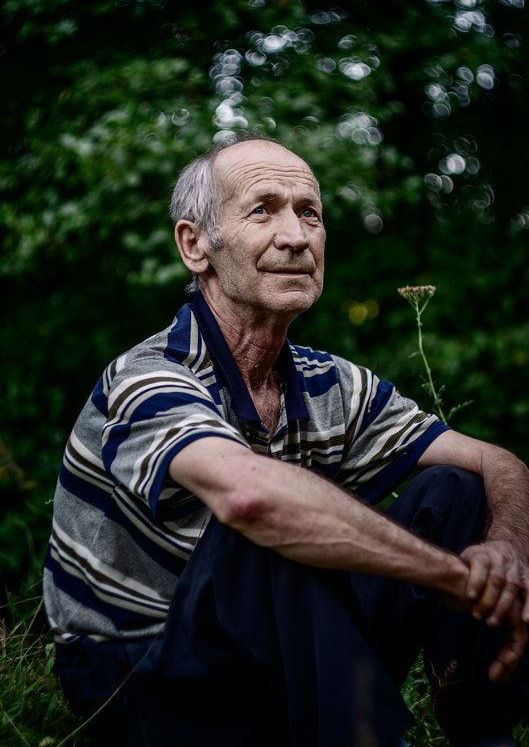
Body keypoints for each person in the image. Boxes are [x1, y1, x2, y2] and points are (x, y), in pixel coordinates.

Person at [43, 131, 529, 747]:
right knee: (269, 519)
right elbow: (253, 501)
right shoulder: (147, 375)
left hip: (281, 649)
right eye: (262, 209)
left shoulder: (330, 381)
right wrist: (455, 577)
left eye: (310, 214)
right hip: (140, 676)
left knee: (456, 489)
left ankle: (485, 733)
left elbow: (499, 461)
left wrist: (506, 554)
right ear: (196, 246)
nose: (297, 236)